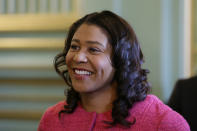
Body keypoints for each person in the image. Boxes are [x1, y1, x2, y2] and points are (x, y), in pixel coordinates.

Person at [38, 10, 190, 131]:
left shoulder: (164, 123)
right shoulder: (52, 119)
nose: (78, 58)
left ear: (121, 60)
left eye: (93, 49)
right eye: (74, 47)